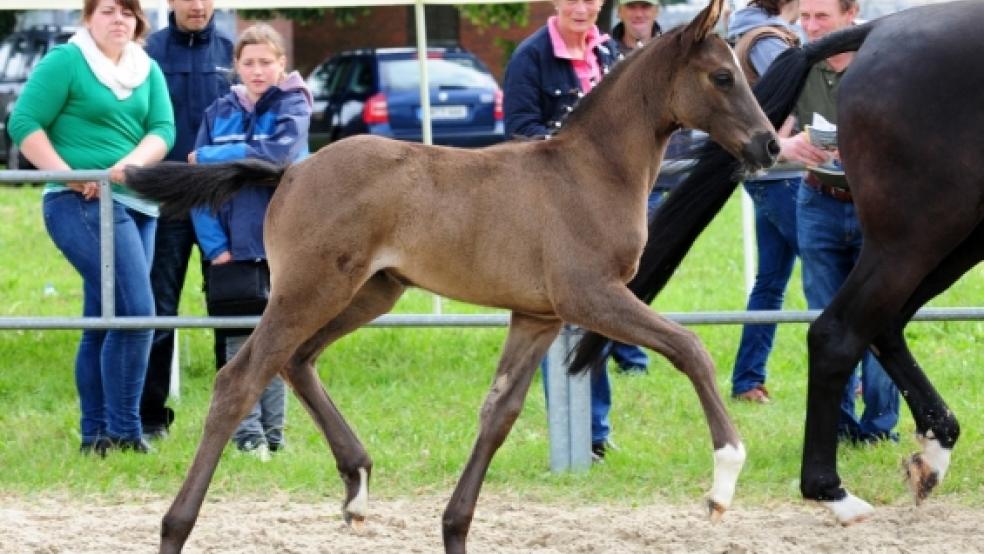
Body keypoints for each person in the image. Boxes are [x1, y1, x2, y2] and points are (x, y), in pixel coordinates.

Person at [8, 0, 175, 455]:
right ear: (87, 18)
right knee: (137, 312)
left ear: (138, 20)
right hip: (79, 201)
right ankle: (124, 433)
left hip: (138, 203)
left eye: (127, 11)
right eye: (107, 10)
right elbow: (23, 122)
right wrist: (67, 173)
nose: (118, 19)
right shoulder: (67, 60)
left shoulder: (147, 69)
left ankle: (95, 437)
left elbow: (163, 128)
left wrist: (129, 164)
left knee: (104, 320)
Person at [503, 0, 621, 461]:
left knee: (603, 313)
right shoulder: (530, 57)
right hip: (551, 209)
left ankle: (597, 428)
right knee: (563, 315)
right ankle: (576, 434)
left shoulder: (608, 52)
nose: (582, 6)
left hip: (603, 208)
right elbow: (520, 133)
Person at [189, 23, 312, 459]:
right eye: (248, 63)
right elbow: (199, 189)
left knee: (278, 345)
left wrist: (210, 154)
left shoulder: (294, 106)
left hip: (284, 249)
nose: (257, 71)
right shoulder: (216, 112)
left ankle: (273, 437)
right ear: (236, 67)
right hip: (231, 251)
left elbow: (275, 156)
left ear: (282, 64)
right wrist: (214, 246)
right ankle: (247, 438)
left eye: (266, 62)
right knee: (239, 346)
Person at [779, 0, 900, 443]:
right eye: (805, 16)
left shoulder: (889, 57)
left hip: (880, 207)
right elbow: (767, 131)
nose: (810, 27)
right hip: (818, 202)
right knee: (828, 318)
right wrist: (788, 146)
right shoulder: (797, 62)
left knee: (883, 313)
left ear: (851, 14)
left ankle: (881, 427)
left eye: (821, 17)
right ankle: (840, 426)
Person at [139, 0, 234, 441]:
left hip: (222, 200)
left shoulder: (233, 53)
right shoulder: (148, 51)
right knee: (159, 309)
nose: (197, 6)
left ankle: (235, 418)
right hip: (168, 201)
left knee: (230, 306)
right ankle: (151, 417)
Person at [726, 0, 803, 404]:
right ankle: (855, 375)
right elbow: (792, 95)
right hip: (785, 173)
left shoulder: (753, 29)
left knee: (770, 282)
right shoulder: (768, 37)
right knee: (831, 276)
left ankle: (747, 380)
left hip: (770, 173)